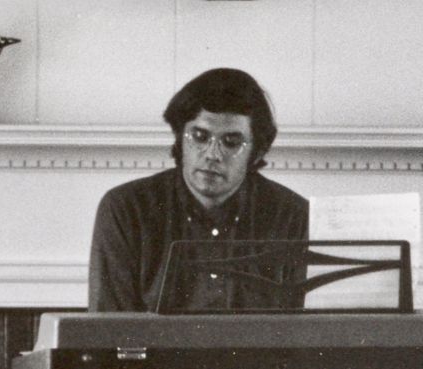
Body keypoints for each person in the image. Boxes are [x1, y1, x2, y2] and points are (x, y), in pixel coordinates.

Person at [88, 68, 309, 312]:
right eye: (200, 136)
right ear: (180, 138)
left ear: (257, 150)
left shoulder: (293, 215)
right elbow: (106, 331)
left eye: (231, 142)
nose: (212, 155)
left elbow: (301, 336)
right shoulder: (126, 209)